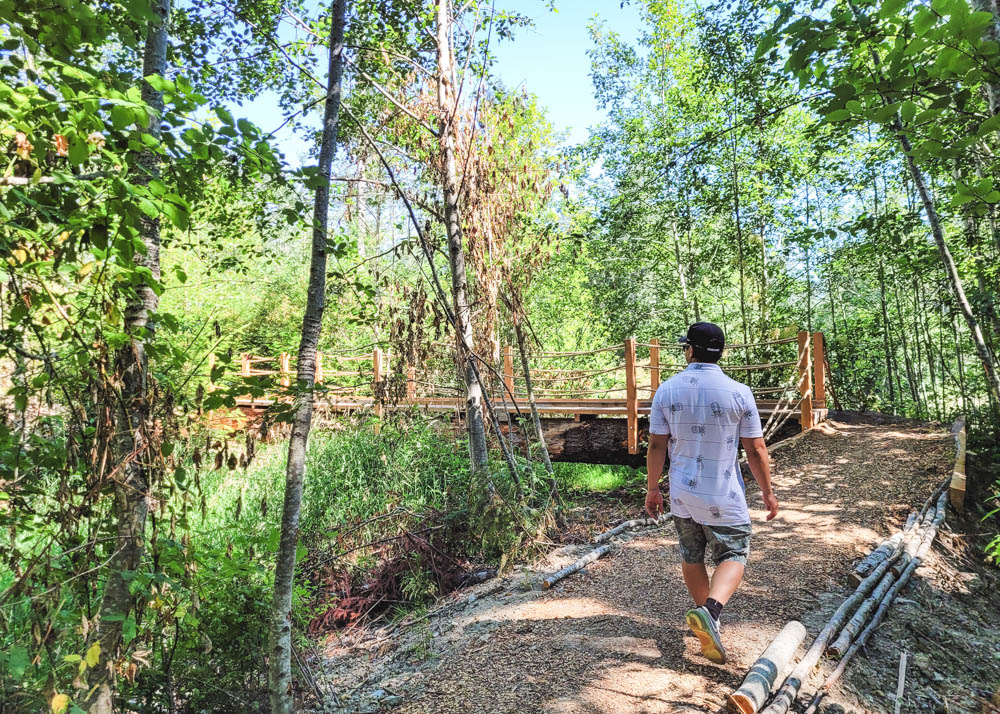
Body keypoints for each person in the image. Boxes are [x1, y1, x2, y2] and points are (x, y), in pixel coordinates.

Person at [644, 321, 779, 664]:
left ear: (689, 350)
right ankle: (712, 611)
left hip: (682, 493)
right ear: (722, 352)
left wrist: (652, 488)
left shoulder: (667, 390)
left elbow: (658, 443)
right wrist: (767, 492)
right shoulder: (739, 392)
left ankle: (708, 622)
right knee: (734, 552)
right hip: (723, 494)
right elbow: (756, 448)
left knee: (692, 556)